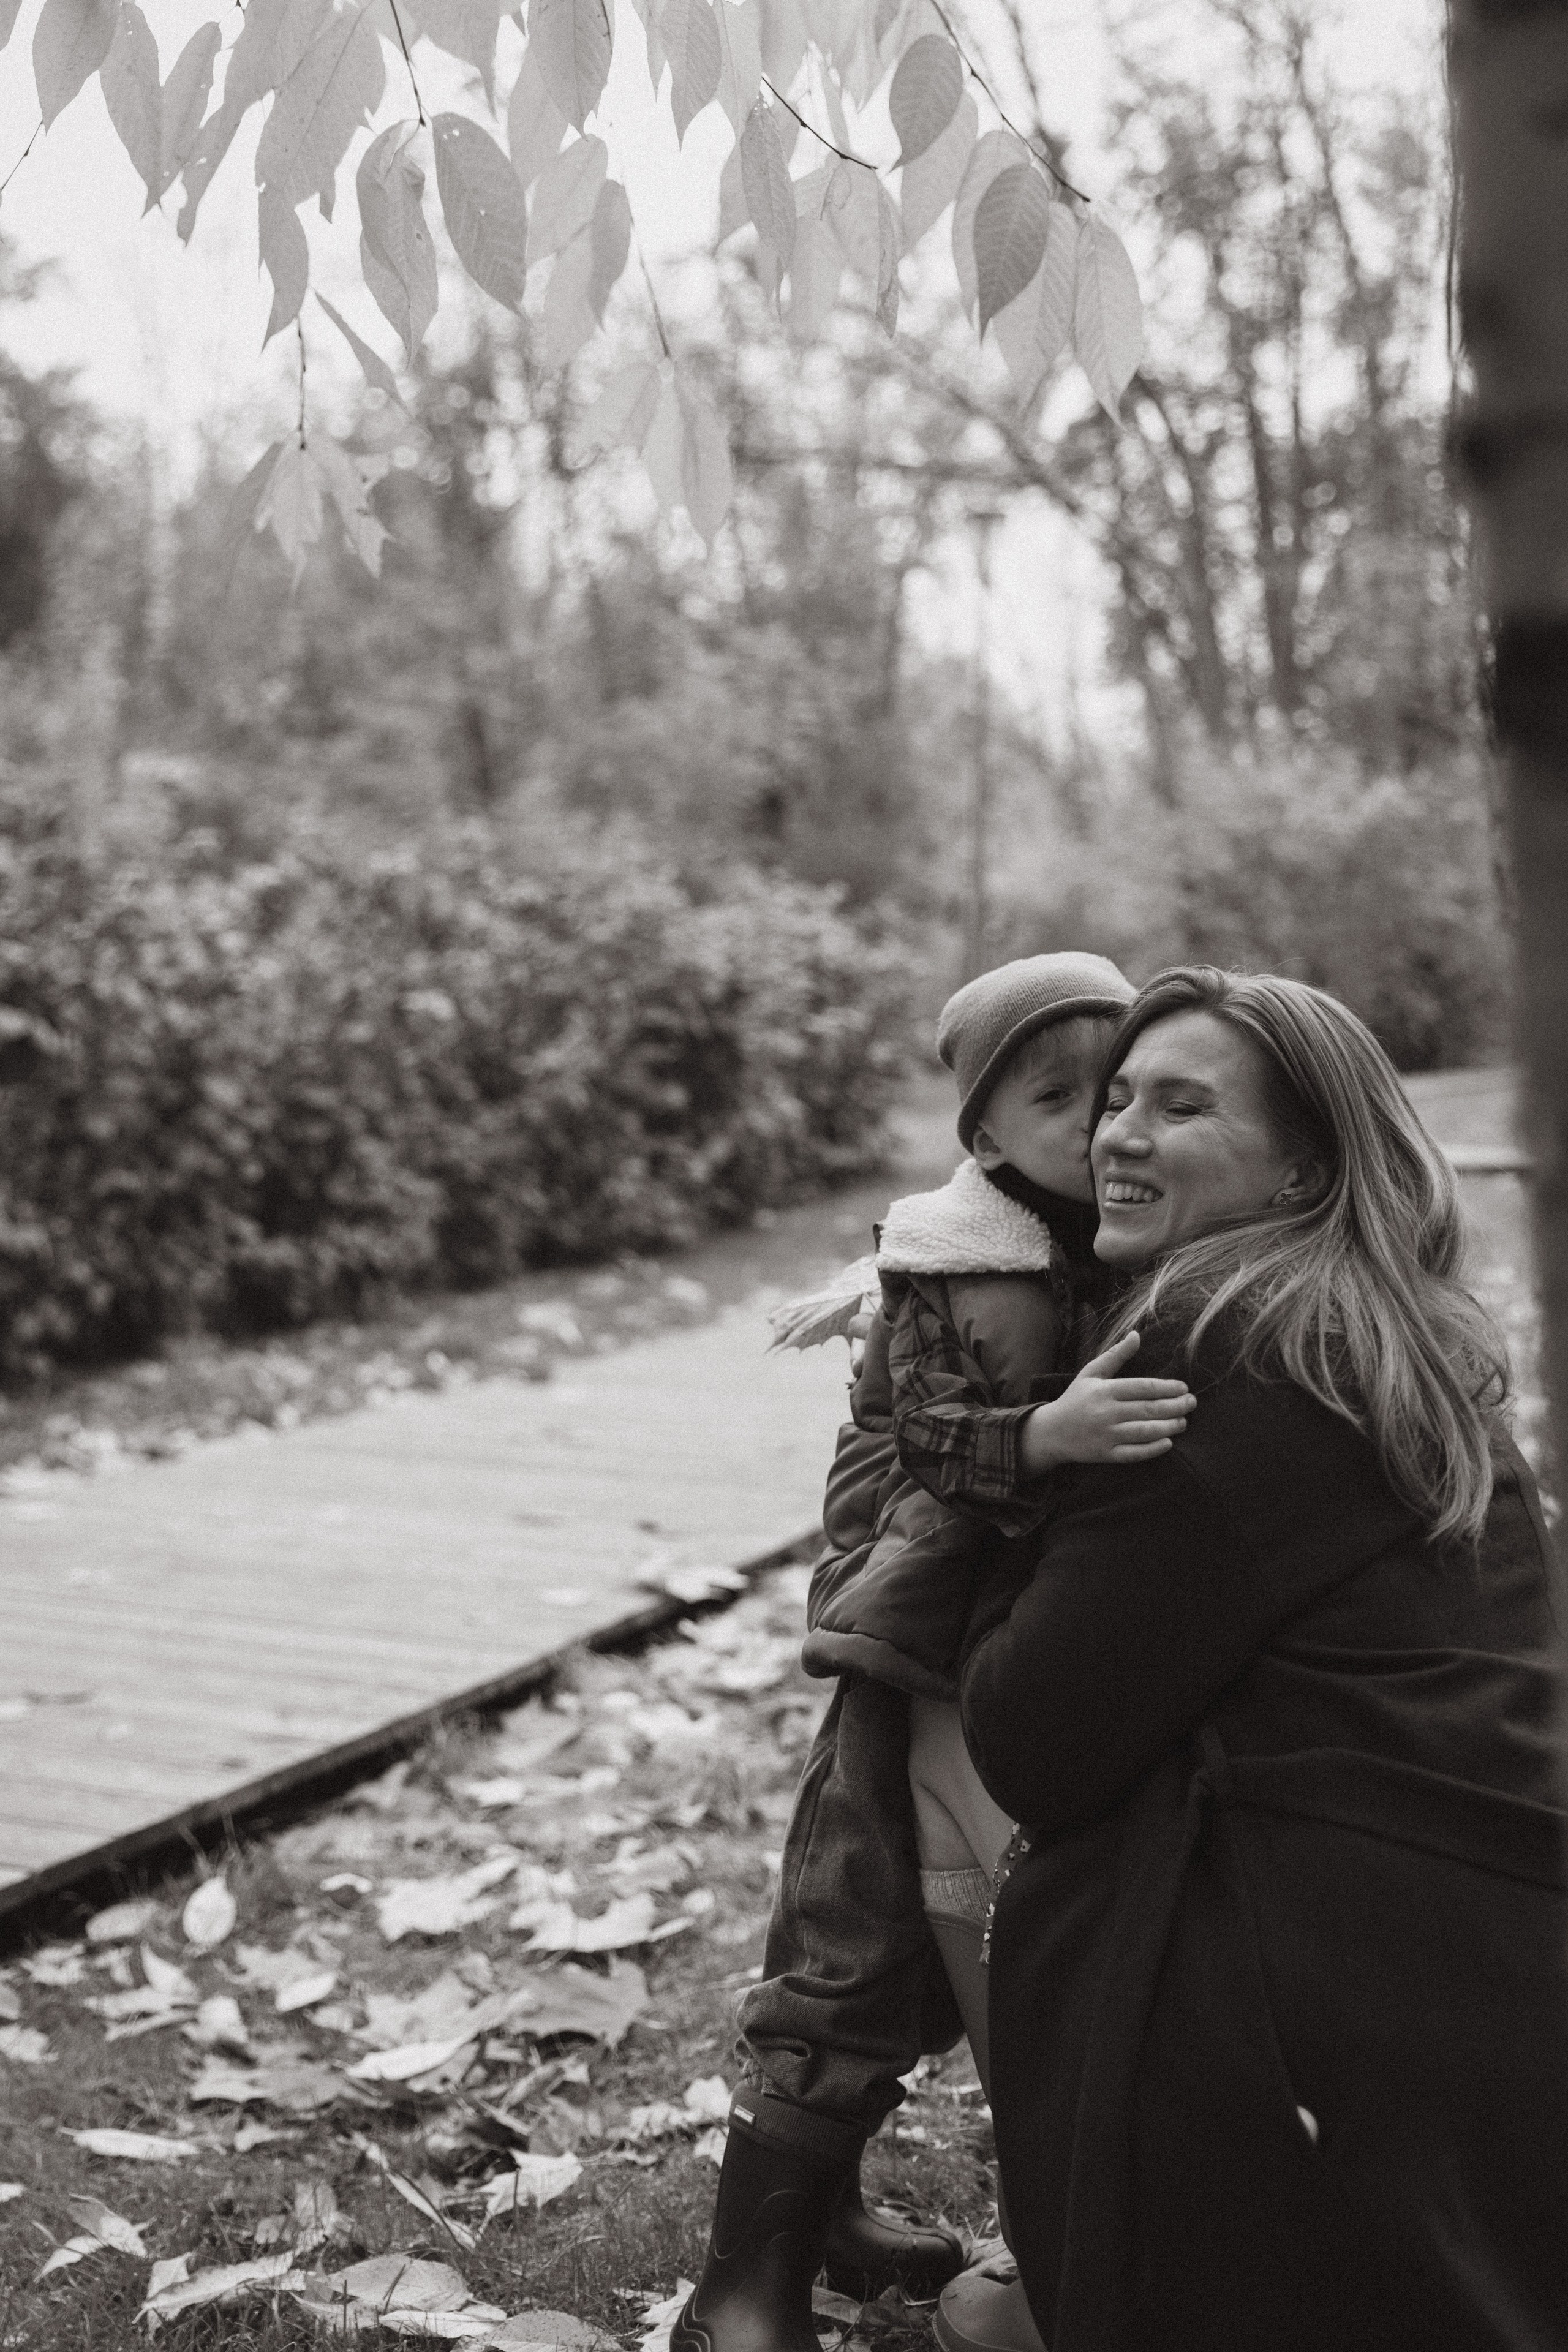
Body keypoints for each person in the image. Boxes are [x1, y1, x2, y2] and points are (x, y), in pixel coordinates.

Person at [919, 966, 1568, 2352]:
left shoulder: (1219, 1339)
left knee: (924, 1731)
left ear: (1298, 1168)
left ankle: (1067, 2253)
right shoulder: (1376, 1320)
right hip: (1490, 1940)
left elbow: (1033, 1736)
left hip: (1324, 2002)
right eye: (1112, 1102)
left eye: (1180, 1105)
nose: (1115, 1135)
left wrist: (994, 1511)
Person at [674, 954, 1198, 2352]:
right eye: (1055, 1099)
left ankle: (828, 2212)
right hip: (901, 1638)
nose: (1097, 1125)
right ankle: (742, 2284)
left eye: (1117, 1090)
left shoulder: (1083, 1234)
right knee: (850, 1930)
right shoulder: (961, 1263)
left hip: (993, 1648)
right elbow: (933, 1441)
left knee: (926, 1939)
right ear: (982, 1135)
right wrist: (1045, 1436)